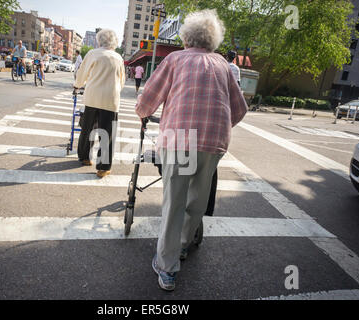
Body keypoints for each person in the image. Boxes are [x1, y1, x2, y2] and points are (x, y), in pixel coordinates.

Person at [135, 9, 247, 291]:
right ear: (213, 40)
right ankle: (183, 245)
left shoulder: (175, 59)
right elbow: (240, 109)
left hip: (180, 140)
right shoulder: (222, 64)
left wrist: (142, 111)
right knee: (197, 199)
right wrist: (219, 125)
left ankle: (167, 266)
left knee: (174, 201)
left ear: (186, 37)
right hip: (214, 141)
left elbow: (149, 97)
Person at [73, 29, 126, 178]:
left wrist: (78, 85)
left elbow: (82, 73)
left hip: (92, 97)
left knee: (87, 128)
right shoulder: (118, 58)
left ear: (99, 40)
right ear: (114, 42)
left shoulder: (92, 53)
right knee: (107, 134)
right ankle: (103, 167)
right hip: (110, 99)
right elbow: (121, 81)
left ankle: (84, 157)